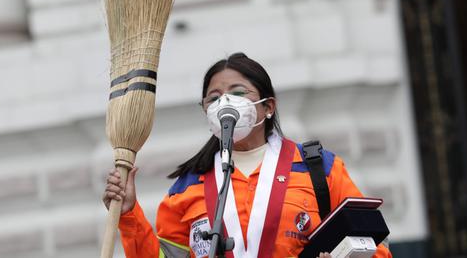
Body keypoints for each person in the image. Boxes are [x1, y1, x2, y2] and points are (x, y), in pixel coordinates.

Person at [103, 53, 392, 258]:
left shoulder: (319, 168)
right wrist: (129, 214)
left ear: (268, 107)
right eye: (214, 98)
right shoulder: (186, 187)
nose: (224, 102)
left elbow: (375, 247)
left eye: (238, 92)